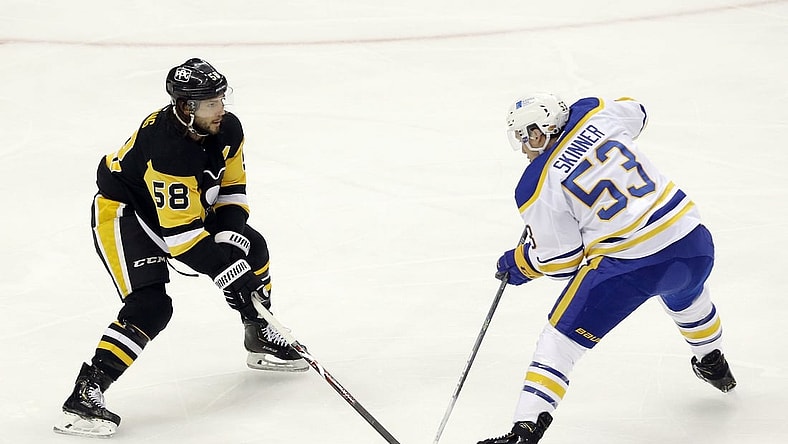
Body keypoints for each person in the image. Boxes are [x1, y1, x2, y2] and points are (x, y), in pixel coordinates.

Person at [53, 58, 308, 438]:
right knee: (151, 305)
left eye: (221, 98)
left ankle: (259, 332)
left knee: (251, 249)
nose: (220, 108)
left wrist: (230, 245)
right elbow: (182, 239)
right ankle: (85, 394)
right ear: (186, 108)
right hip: (129, 214)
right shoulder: (168, 148)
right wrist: (227, 274)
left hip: (178, 210)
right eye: (210, 103)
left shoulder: (228, 129)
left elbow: (232, 193)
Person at [477, 93, 737, 444]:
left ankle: (525, 429)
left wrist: (522, 261)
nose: (524, 148)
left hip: (631, 266)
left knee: (559, 343)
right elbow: (638, 112)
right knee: (687, 296)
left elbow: (562, 261)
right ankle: (712, 361)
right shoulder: (594, 112)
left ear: (542, 131)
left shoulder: (535, 184)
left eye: (527, 136)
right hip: (693, 242)